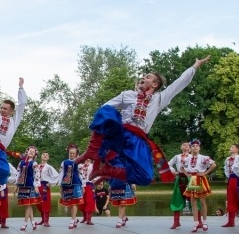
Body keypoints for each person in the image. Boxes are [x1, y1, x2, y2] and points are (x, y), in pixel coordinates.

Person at [78, 56, 212, 185]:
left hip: (138, 140)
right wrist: (110, 126)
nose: (143, 77)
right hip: (121, 133)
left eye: (148, 77)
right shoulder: (128, 95)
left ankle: (107, 171)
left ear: (154, 84)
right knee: (106, 111)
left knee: (145, 177)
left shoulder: (159, 99)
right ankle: (92, 151)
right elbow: (105, 108)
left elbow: (179, 83)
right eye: (143, 76)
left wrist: (195, 66)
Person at [181, 140, 216, 232]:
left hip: (200, 178)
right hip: (192, 179)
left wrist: (205, 173)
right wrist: (187, 174)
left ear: (199, 148)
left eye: (197, 146)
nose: (195, 147)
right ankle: (195, 223)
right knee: (193, 202)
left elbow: (213, 165)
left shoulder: (204, 158)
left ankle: (204, 222)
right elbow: (181, 167)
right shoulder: (187, 159)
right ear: (190, 148)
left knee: (203, 201)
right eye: (193, 146)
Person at [58, 144, 85, 229]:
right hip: (66, 184)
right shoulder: (64, 162)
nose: (72, 155)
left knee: (74, 203)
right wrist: (60, 185)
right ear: (68, 153)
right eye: (70, 153)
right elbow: (61, 174)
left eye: (73, 153)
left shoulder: (79, 162)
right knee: (69, 203)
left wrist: (83, 185)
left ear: (76, 154)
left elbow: (81, 174)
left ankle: (72, 221)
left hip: (76, 183)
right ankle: (75, 218)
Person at [167, 142, 191, 229]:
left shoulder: (192, 157)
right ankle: (176, 222)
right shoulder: (177, 157)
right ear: (181, 147)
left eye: (188, 145)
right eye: (184, 145)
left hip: (190, 179)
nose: (186, 146)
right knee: (177, 199)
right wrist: (174, 171)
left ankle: (198, 221)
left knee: (194, 199)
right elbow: (168, 164)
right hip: (180, 178)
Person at [16, 146, 40, 231]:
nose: (31, 152)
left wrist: (36, 185)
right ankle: (33, 222)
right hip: (22, 185)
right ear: (27, 152)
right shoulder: (21, 162)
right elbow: (18, 174)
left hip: (30, 185)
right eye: (30, 151)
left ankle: (25, 223)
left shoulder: (34, 163)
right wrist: (17, 184)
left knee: (28, 205)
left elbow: (37, 175)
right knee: (27, 205)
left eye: (33, 152)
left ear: (34, 155)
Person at [221, 143, 239, 228]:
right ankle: (231, 221)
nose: (230, 148)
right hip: (231, 178)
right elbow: (226, 169)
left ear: (237, 150)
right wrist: (229, 176)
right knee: (230, 198)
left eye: (232, 147)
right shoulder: (227, 159)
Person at [37, 152, 58, 227]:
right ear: (41, 156)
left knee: (46, 202)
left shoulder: (49, 167)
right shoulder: (37, 166)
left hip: (45, 186)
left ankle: (46, 220)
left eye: (47, 155)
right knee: (38, 203)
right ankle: (42, 219)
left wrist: (51, 183)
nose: (45, 156)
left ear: (48, 158)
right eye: (43, 155)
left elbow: (56, 176)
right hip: (38, 185)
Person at [77, 156, 95, 225]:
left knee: (90, 201)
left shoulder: (93, 166)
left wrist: (94, 181)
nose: (87, 159)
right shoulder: (80, 166)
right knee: (83, 201)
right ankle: (84, 218)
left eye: (89, 158)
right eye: (86, 158)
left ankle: (89, 219)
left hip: (89, 184)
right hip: (82, 185)